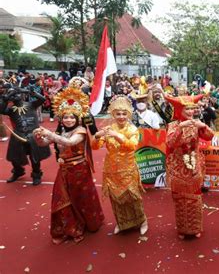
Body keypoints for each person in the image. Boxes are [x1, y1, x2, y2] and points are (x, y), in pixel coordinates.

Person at [33, 87, 104, 244]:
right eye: (66, 117)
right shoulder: (62, 131)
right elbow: (44, 143)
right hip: (64, 170)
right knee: (62, 198)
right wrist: (38, 137)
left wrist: (51, 135)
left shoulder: (80, 131)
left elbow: (70, 142)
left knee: (82, 198)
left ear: (78, 118)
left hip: (79, 170)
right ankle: (69, 225)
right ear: (61, 118)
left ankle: (90, 222)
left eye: (72, 117)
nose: (69, 120)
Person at [91, 95, 148, 236]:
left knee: (133, 196)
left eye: (124, 114)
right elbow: (95, 147)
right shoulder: (108, 128)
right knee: (116, 198)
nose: (121, 116)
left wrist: (117, 135)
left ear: (128, 114)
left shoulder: (132, 129)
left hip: (128, 168)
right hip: (111, 169)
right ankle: (122, 223)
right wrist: (97, 136)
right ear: (113, 114)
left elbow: (131, 146)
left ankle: (143, 221)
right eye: (118, 114)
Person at [165, 94, 214, 239]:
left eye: (192, 109)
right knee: (180, 199)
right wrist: (180, 128)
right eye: (187, 109)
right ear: (179, 110)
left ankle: (195, 228)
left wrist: (203, 126)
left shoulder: (196, 123)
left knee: (195, 198)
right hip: (178, 167)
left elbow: (210, 137)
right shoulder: (173, 125)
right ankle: (182, 229)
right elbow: (170, 143)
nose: (191, 112)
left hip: (194, 167)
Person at [1, 86, 51, 185]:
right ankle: (18, 171)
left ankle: (36, 174)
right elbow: (1, 110)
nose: (16, 96)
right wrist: (6, 98)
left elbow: (42, 99)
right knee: (14, 157)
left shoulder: (31, 104)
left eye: (17, 94)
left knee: (34, 157)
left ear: (22, 95)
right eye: (13, 95)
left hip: (33, 134)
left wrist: (31, 92)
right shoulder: (10, 110)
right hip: (18, 135)